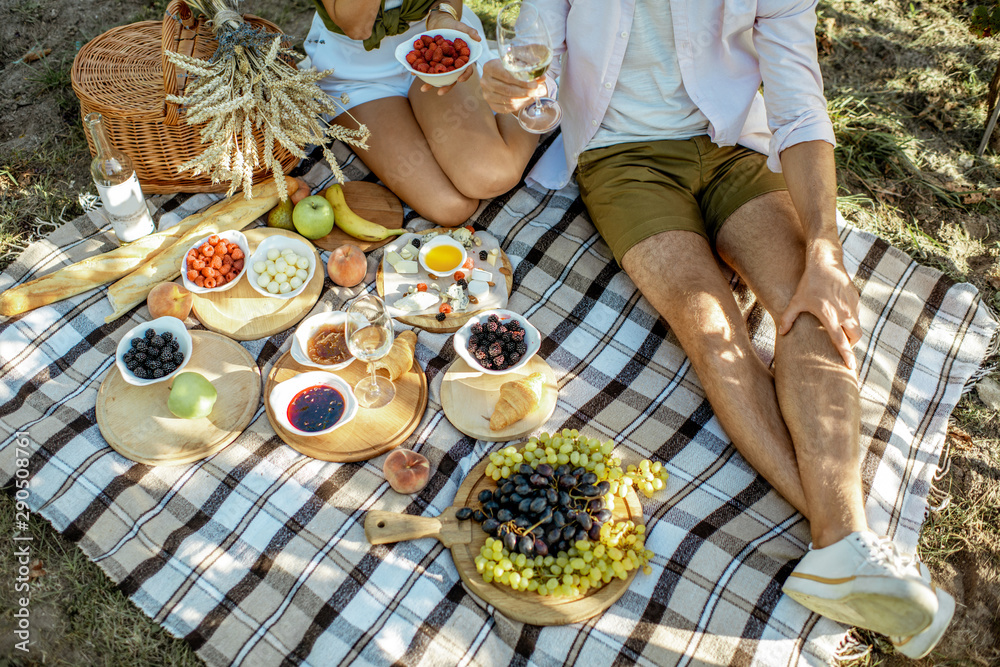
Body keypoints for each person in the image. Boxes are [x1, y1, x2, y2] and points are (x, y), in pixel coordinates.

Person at [480, 0, 954, 657]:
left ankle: (842, 547)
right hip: (622, 160)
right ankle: (851, 542)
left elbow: (799, 104)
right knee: (710, 326)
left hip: (732, 144)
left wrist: (826, 252)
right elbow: (541, 86)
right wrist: (517, 94)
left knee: (809, 302)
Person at [305, 1, 540, 226]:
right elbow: (358, 26)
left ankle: (538, 86)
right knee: (451, 207)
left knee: (493, 177)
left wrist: (442, 15)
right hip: (355, 72)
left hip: (430, 41)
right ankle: (521, 84)